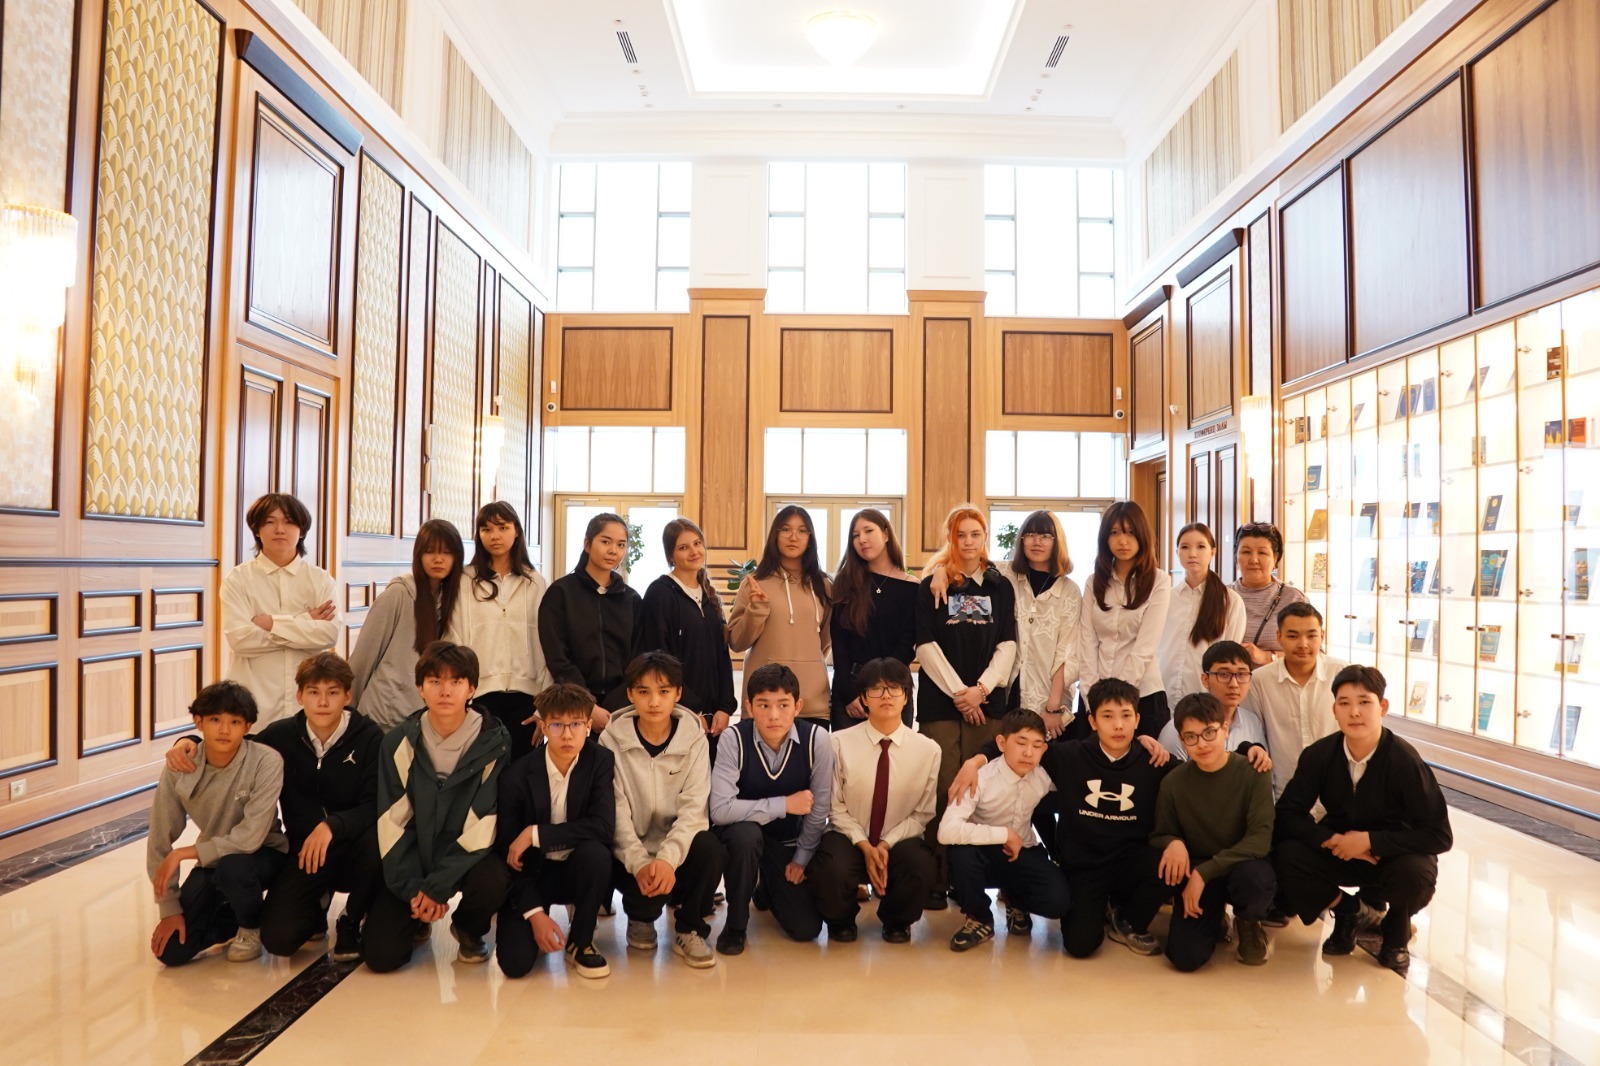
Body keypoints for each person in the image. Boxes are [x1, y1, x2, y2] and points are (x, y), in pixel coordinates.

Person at [167, 654, 383, 963]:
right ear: (300, 696)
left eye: (333, 692)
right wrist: (186, 740)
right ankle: (316, 906)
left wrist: (332, 825)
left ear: (347, 696)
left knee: (378, 841)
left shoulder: (369, 736)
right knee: (279, 940)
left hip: (356, 846)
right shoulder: (282, 735)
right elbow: (236, 741)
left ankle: (352, 917)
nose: (323, 702)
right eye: (313, 692)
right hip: (304, 851)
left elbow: (375, 804)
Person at [948, 678, 1171, 960]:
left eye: (1126, 716)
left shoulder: (1153, 759)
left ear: (1137, 720)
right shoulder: (1070, 755)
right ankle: (1091, 905)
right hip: (1086, 865)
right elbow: (1018, 741)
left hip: (1131, 860)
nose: (1118, 725)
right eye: (1107, 716)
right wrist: (975, 761)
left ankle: (1127, 920)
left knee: (1172, 859)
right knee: (1080, 946)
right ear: (1092, 721)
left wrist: (1175, 841)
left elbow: (1190, 778)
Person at [1274, 665, 1453, 974]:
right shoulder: (1319, 755)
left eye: (1364, 702)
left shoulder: (1404, 761)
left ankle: (1396, 932)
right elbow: (1287, 814)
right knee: (1284, 853)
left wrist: (1371, 841)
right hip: (1341, 850)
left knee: (1417, 873)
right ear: (1334, 710)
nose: (1354, 712)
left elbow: (1439, 835)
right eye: (1344, 703)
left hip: (1392, 855)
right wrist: (1331, 840)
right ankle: (1351, 912)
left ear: (1382, 707)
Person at [366, 641, 510, 973]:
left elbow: (484, 822)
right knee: (381, 957)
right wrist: (414, 889)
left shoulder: (495, 742)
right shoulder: (398, 742)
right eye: (435, 681)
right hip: (415, 857)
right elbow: (393, 821)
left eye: (455, 682)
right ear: (420, 688)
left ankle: (469, 928)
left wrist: (437, 888)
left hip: (468, 858)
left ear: (471, 689)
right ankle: (418, 917)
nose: (445, 691)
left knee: (494, 879)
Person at [915, 505, 1017, 908]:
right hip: (941, 704)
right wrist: (961, 693)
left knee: (976, 790)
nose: (969, 541)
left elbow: (1008, 644)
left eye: (976, 534)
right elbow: (925, 645)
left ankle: (968, 879)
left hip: (987, 704)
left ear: (985, 537)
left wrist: (981, 690)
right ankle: (936, 878)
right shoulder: (932, 585)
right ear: (950, 538)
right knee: (942, 788)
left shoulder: (1000, 586)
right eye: (961, 534)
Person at [146, 681, 288, 966]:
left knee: (233, 869)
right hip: (213, 860)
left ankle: (251, 926)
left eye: (234, 722)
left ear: (247, 727)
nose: (224, 730)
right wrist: (169, 908)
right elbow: (160, 835)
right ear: (199, 722)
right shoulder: (180, 766)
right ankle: (231, 922)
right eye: (215, 720)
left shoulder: (266, 761)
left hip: (263, 855)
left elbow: (250, 838)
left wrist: (183, 853)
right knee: (171, 952)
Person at [600, 652, 727, 969]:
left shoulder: (695, 739)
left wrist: (667, 860)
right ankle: (640, 917)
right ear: (630, 694)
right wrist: (640, 863)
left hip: (676, 853)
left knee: (710, 847)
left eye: (664, 691)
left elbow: (694, 810)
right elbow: (616, 813)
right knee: (602, 854)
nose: (654, 701)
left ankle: (690, 927)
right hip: (631, 854)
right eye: (644, 691)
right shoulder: (610, 740)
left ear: (678, 694)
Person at [806, 658, 941, 944]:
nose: (886, 696)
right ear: (864, 698)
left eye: (894, 688)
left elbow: (922, 814)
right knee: (830, 866)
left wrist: (886, 844)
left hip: (898, 841)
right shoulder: (838, 742)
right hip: (849, 836)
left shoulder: (928, 750)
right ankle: (841, 920)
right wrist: (865, 845)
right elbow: (834, 807)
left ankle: (897, 921)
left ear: (906, 696)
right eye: (876, 689)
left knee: (920, 864)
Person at [709, 663, 832, 955]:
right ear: (749, 707)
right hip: (742, 839)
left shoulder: (817, 739)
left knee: (806, 929)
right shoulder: (733, 739)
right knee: (746, 836)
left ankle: (765, 887)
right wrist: (784, 804)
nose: (774, 715)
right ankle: (736, 924)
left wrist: (801, 858)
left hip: (787, 842)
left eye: (783, 705)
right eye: (763, 705)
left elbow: (819, 808)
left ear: (798, 706)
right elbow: (720, 810)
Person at [496, 683, 617, 980]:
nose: (566, 734)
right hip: (532, 874)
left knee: (597, 854)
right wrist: (535, 914)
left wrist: (535, 834)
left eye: (576, 724)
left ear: (588, 726)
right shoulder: (516, 775)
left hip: (576, 869)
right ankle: (536, 916)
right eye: (557, 724)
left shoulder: (600, 761)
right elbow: (507, 852)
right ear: (543, 726)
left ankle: (581, 940)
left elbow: (603, 827)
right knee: (515, 964)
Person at [1151, 692, 1277, 971]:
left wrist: (1203, 873)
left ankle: (1248, 922)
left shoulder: (1253, 771)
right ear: (1181, 740)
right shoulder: (1173, 783)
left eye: (1209, 732)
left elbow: (1259, 841)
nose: (1202, 744)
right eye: (1191, 737)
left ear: (1225, 729)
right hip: (1199, 873)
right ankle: (1215, 916)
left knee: (1256, 879)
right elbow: (1161, 832)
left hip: (1240, 866)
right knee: (1185, 957)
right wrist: (1173, 842)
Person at [937, 709, 1068, 952]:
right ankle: (979, 918)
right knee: (960, 855)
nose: (1028, 752)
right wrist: (1004, 834)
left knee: (1058, 901)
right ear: (1001, 743)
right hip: (983, 855)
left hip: (1024, 852)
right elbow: (946, 830)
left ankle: (1014, 898)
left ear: (1044, 749)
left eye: (1036, 745)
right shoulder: (979, 778)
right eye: (1021, 743)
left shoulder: (1043, 777)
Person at [221, 492, 339, 728]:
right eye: (270, 522)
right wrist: (305, 621)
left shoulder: (320, 580)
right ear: (257, 529)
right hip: (255, 706)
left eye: (289, 522)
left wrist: (271, 623)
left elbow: (328, 635)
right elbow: (240, 639)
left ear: (302, 530)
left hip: (306, 708)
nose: (280, 530)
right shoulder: (237, 579)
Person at [447, 502, 550, 763]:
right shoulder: (465, 580)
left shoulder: (534, 582)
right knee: (481, 773)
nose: (495, 536)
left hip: (528, 698)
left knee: (522, 774)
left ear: (516, 531)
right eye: (486, 529)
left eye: (503, 528)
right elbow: (455, 640)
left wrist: (544, 708)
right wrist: (461, 697)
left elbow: (548, 644)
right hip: (479, 696)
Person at [349, 518, 466, 732]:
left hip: (423, 719)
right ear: (418, 555)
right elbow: (364, 656)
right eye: (430, 551)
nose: (438, 559)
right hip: (382, 716)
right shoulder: (398, 594)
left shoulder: (455, 601)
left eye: (447, 552)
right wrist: (348, 712)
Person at [726, 506, 832, 725]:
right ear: (775, 535)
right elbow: (737, 642)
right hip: (764, 700)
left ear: (810, 538)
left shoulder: (824, 585)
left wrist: (808, 661)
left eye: (802, 530)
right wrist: (756, 610)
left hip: (813, 701)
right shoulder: (755, 583)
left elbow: (824, 641)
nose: (793, 537)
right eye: (785, 529)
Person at [639, 517, 736, 751]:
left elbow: (722, 656)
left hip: (714, 719)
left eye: (697, 543)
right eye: (683, 547)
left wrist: (725, 707)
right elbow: (659, 659)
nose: (694, 552)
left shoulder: (709, 596)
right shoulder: (659, 594)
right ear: (671, 556)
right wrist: (692, 709)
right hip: (679, 713)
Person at [539, 512, 642, 730]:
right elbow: (557, 657)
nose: (613, 550)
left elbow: (639, 656)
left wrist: (619, 703)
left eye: (621, 545)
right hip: (572, 705)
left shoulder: (631, 599)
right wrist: (587, 704)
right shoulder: (560, 593)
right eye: (605, 542)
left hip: (623, 707)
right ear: (587, 544)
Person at [1077, 501, 1171, 739]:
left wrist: (1117, 700)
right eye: (1114, 533)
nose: (1123, 541)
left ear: (1142, 536)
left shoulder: (1159, 581)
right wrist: (1092, 698)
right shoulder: (1094, 582)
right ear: (1105, 538)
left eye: (1130, 532)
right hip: (1094, 697)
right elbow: (1087, 643)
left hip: (1142, 695)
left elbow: (1144, 647)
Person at [1240, 602, 1347, 797]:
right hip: (1284, 794)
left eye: (1311, 636)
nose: (1303, 644)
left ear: (1322, 636)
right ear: (1279, 637)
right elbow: (1253, 736)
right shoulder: (1259, 681)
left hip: (1336, 794)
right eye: (1293, 636)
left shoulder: (1342, 673)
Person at [829, 508, 918, 730]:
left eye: (868, 531)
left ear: (886, 534)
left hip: (895, 686)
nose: (862, 539)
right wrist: (848, 693)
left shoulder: (911, 586)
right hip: (852, 688)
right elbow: (839, 643)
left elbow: (909, 641)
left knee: (895, 752)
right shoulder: (845, 583)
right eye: (855, 535)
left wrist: (885, 683)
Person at [1158, 523, 1246, 704]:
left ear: (1213, 551)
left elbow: (1230, 655)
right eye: (1185, 547)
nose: (1192, 554)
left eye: (1200, 546)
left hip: (1206, 699)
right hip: (1164, 694)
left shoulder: (1230, 601)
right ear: (1177, 552)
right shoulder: (1166, 597)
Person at [1157, 640, 1271, 771]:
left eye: (1241, 674)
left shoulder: (1253, 722)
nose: (1234, 684)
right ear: (1205, 679)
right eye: (1224, 674)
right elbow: (1173, 779)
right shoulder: (1178, 728)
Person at [1231, 522, 1309, 668]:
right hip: (1228, 681)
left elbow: (1314, 653)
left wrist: (1267, 657)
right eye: (1246, 552)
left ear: (1275, 559)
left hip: (1277, 681)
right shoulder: (1221, 596)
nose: (1253, 560)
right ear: (1236, 557)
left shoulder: (1293, 598)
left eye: (1262, 553)